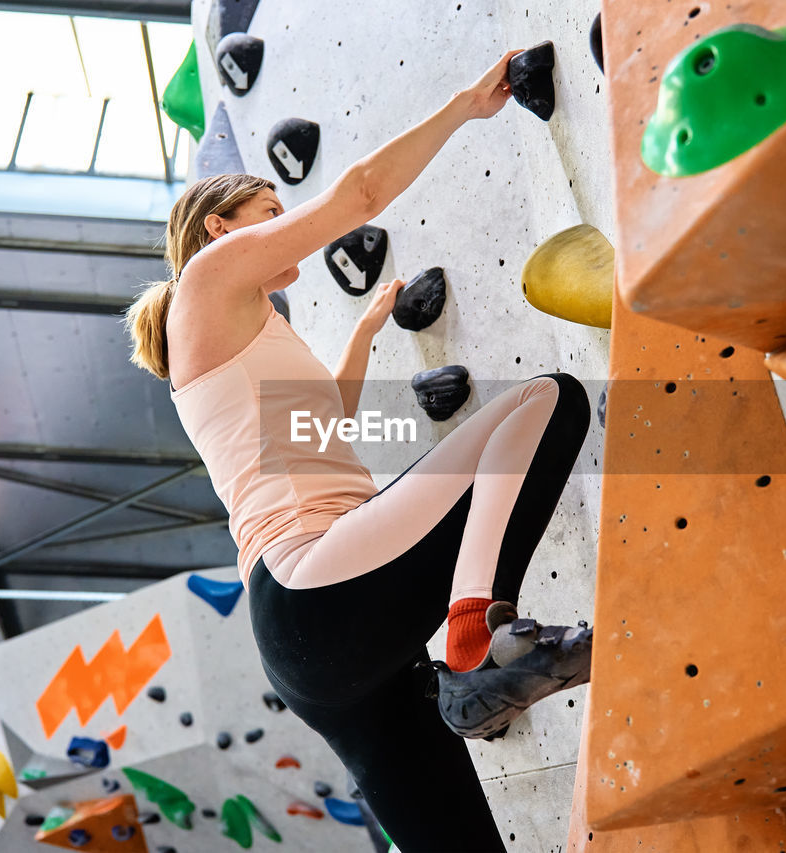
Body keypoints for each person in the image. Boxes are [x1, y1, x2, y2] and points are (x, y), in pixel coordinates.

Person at [125, 51, 592, 852]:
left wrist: (367, 335)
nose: (286, 224)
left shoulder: (245, 341)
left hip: (317, 650)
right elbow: (361, 195)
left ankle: (475, 653)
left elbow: (324, 426)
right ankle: (478, 639)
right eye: (270, 210)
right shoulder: (205, 282)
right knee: (547, 400)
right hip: (310, 582)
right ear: (220, 226)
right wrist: (461, 106)